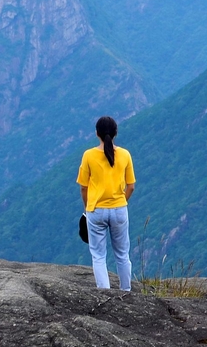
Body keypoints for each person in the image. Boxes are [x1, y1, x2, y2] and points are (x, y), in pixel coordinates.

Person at [76, 116, 136, 291]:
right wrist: (120, 202)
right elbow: (131, 186)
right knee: (123, 255)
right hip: (119, 209)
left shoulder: (89, 155)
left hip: (96, 210)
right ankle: (126, 291)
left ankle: (105, 292)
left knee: (98, 256)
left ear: (97, 133)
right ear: (116, 133)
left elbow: (83, 188)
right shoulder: (125, 154)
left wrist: (88, 208)